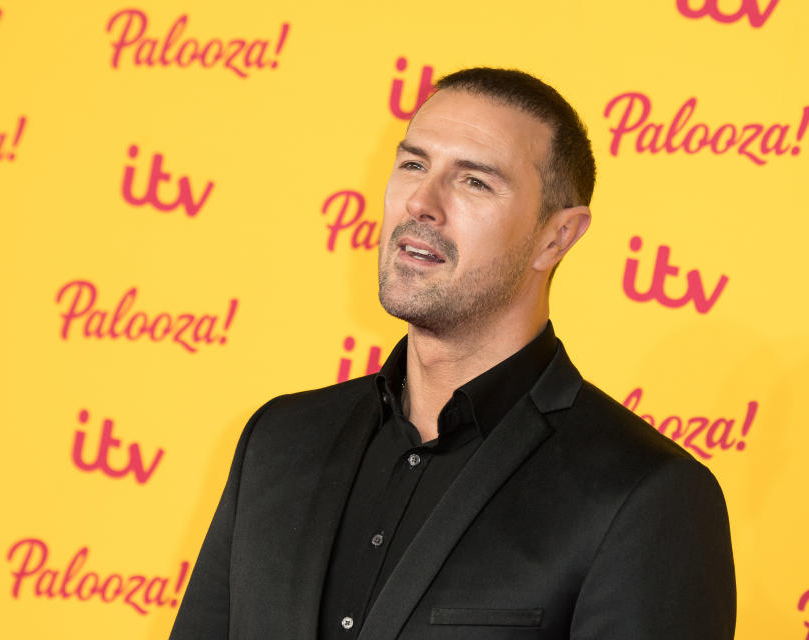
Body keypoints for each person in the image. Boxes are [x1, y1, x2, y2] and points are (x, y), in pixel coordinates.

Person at [169, 67, 735, 639]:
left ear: (557, 237)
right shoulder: (279, 441)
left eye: (474, 182)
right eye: (414, 164)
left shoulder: (645, 495)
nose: (421, 202)